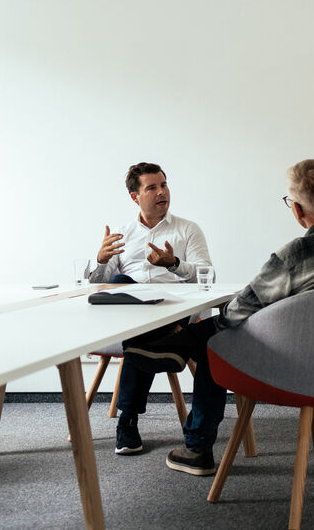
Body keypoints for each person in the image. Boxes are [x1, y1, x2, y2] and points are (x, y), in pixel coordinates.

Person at [125, 159, 314, 476]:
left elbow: (240, 308)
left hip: (305, 373)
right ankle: (180, 344)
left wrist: (217, 324)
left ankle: (196, 444)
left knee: (217, 338)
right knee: (215, 333)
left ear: (298, 211)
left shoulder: (294, 255)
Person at [89, 162, 213, 456]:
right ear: (135, 196)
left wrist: (173, 264)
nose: (162, 192)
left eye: (164, 185)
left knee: (139, 331)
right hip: (132, 313)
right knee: (120, 281)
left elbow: (208, 276)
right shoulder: (121, 233)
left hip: (173, 307)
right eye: (152, 187)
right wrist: (101, 261)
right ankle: (168, 339)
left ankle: (127, 419)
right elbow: (98, 287)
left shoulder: (187, 230)